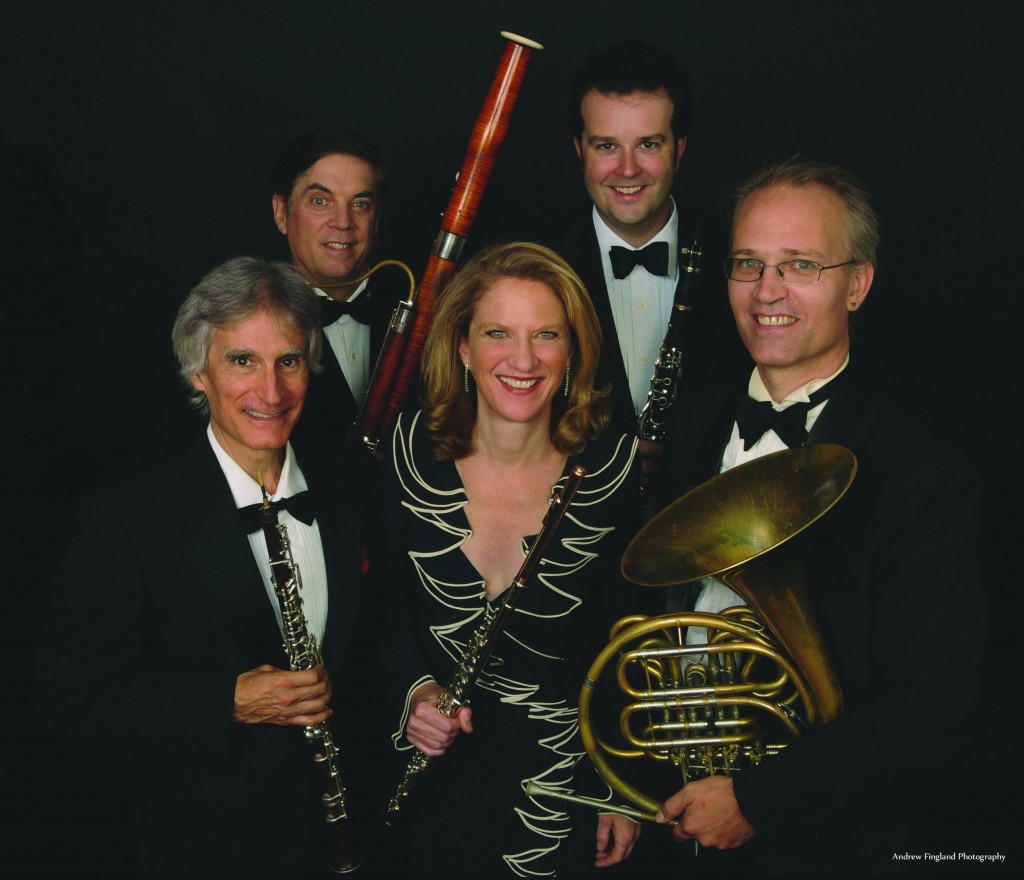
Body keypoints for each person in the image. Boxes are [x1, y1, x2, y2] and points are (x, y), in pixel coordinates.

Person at [649, 157, 985, 876]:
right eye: (749, 264)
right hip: (664, 819)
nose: (768, 291)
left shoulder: (925, 474)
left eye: (800, 264)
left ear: (856, 285)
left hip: (819, 846)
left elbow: (931, 713)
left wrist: (758, 799)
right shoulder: (683, 428)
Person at [35, 257, 380, 877]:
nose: (270, 392)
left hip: (353, 837)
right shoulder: (128, 519)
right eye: (241, 360)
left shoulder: (350, 486)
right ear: (198, 374)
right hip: (208, 848)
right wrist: (227, 702)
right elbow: (71, 699)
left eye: (289, 361)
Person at [378, 241, 644, 878]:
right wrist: (415, 692)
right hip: (424, 784)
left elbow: (627, 638)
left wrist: (623, 786)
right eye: (498, 332)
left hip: (558, 789)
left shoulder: (615, 471)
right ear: (463, 347)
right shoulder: (406, 449)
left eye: (546, 334)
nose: (523, 360)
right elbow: (379, 607)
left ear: (573, 351)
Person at [546, 39, 743, 508]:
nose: (627, 169)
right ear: (579, 150)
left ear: (679, 149)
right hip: (569, 529)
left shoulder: (738, 261)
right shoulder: (535, 268)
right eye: (606, 145)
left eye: (649, 144)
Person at [271, 125, 408, 447]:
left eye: (360, 203)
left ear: (377, 217)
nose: (343, 222)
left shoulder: (423, 318)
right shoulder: (244, 323)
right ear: (282, 213)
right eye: (320, 201)